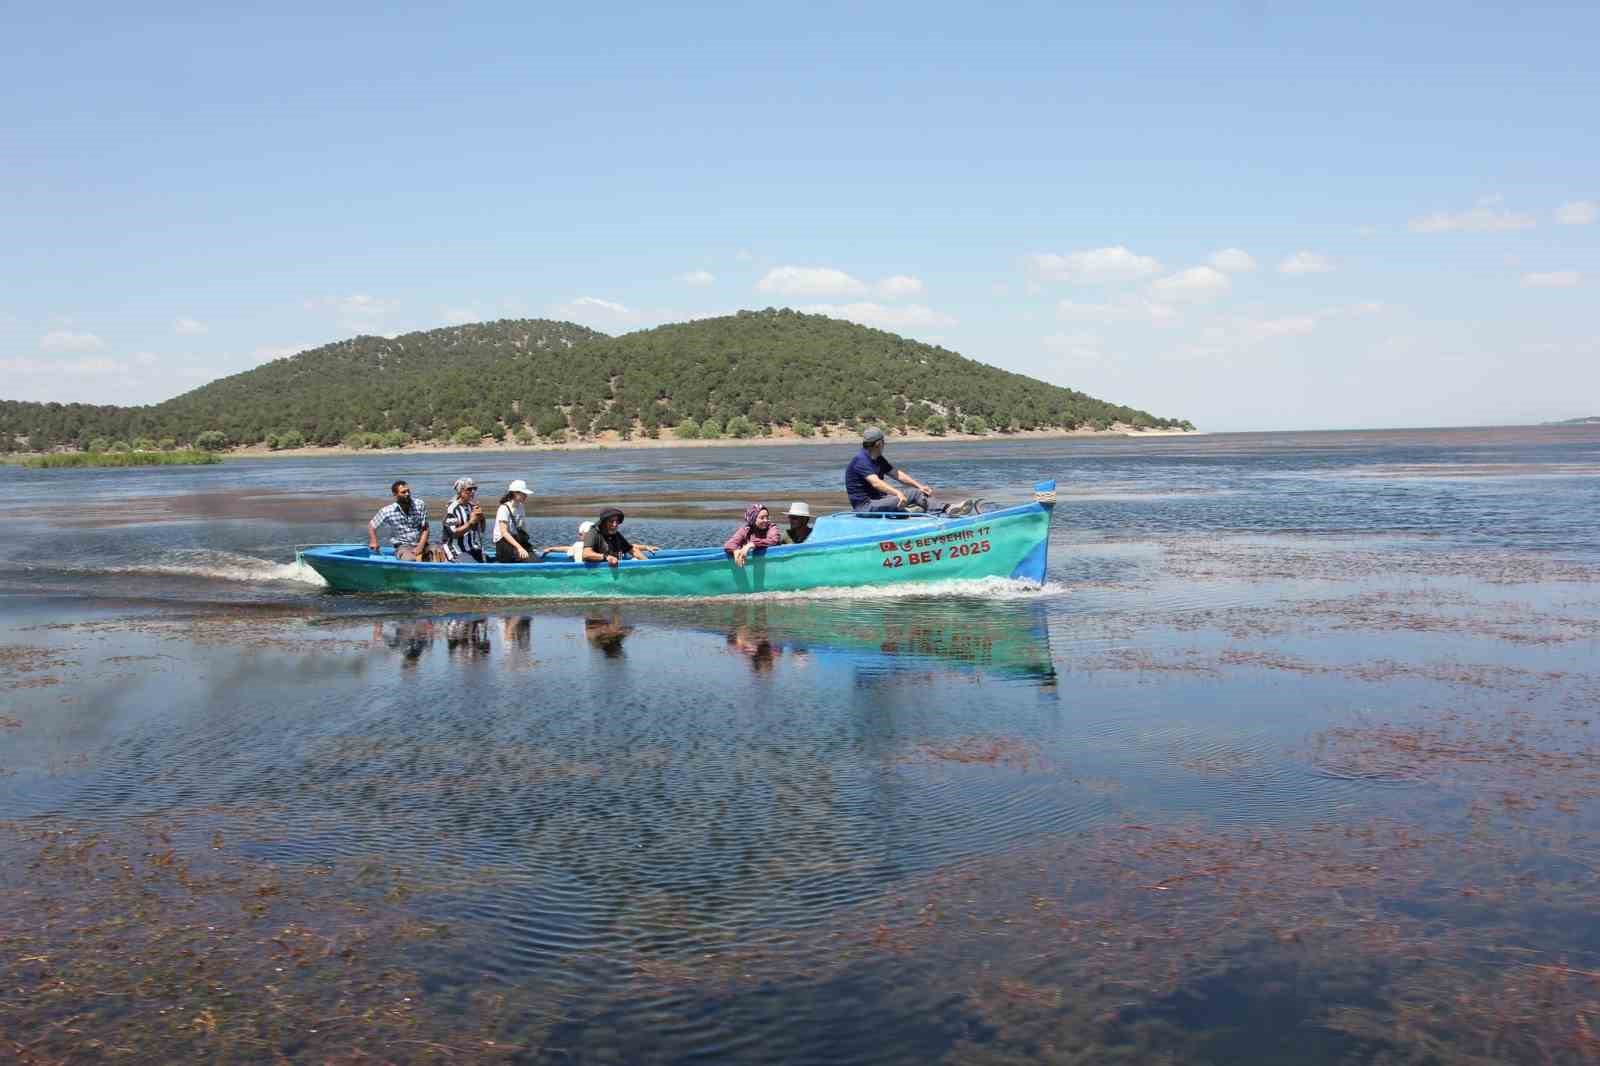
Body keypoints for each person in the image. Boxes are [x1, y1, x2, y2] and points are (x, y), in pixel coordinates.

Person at [844, 427, 973, 515]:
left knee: (916, 494)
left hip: (877, 500)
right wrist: (897, 493)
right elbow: (876, 483)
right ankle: (948, 508)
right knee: (914, 495)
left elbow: (897, 474)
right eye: (884, 441)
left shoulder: (877, 458)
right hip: (865, 507)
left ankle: (922, 509)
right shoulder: (861, 460)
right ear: (878, 443)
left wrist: (920, 486)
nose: (885, 444)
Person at [368, 480, 430, 560]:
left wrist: (420, 546)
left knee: (437, 551)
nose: (407, 494)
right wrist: (374, 541)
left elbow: (425, 528)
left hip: (422, 543)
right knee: (410, 559)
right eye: (403, 492)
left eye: (408, 491)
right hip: (403, 545)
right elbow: (371, 526)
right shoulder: (387, 511)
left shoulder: (419, 504)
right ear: (395, 494)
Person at [582, 507, 650, 566]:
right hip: (596, 572)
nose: (615, 525)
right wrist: (606, 557)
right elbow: (586, 554)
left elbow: (632, 550)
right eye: (611, 521)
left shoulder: (616, 534)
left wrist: (648, 563)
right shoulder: (593, 533)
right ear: (603, 522)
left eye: (617, 521)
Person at [442, 477, 485, 562]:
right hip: (456, 550)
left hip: (472, 547)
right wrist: (471, 522)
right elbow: (453, 534)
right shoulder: (452, 509)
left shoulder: (472, 506)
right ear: (460, 492)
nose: (473, 492)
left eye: (474, 489)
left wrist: (482, 517)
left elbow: (482, 529)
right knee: (474, 565)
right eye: (469, 489)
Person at [492, 479, 534, 563]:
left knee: (533, 558)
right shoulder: (504, 508)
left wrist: (527, 546)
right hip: (503, 542)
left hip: (515, 539)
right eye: (524, 493)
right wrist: (519, 548)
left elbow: (522, 527)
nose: (526, 496)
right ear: (515, 493)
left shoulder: (520, 506)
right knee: (522, 558)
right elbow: (504, 532)